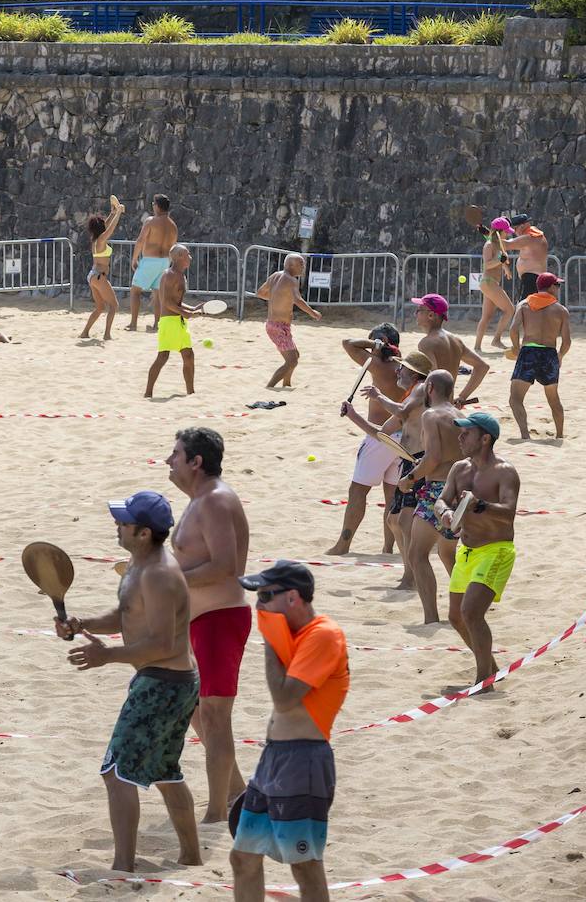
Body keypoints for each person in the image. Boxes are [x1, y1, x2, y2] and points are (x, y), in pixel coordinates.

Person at [56, 491, 201, 873]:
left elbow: (161, 642)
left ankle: (123, 867)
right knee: (165, 770)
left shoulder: (158, 574)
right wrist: (83, 623)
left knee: (116, 771)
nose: (116, 526)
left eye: (123, 522)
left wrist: (108, 656)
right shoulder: (141, 564)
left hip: (163, 683)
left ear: (143, 532)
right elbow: (126, 615)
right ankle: (190, 856)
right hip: (174, 681)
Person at [231, 560, 349, 902]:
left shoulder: (323, 634)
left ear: (293, 598)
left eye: (266, 596)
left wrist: (269, 637)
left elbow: (284, 698)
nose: (259, 605)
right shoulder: (294, 636)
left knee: (305, 865)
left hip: (304, 761)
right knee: (243, 858)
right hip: (276, 758)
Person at [167, 428, 250, 824]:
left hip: (220, 618)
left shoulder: (215, 499)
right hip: (198, 618)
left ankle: (219, 812)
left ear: (196, 462)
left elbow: (225, 565)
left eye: (176, 454)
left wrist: (170, 580)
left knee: (216, 717)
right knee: (195, 710)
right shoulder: (199, 499)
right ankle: (235, 789)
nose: (170, 461)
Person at [435, 413, 519, 683]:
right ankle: (491, 669)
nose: (459, 437)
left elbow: (508, 513)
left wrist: (480, 505)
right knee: (456, 617)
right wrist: (446, 514)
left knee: (471, 613)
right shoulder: (459, 468)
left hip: (496, 550)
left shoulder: (504, 472)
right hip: (467, 550)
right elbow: (441, 500)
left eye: (466, 433)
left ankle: (483, 682)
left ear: (485, 439)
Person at [340, 351, 433, 590]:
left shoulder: (421, 388)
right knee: (396, 520)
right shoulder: (411, 396)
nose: (397, 371)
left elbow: (401, 413)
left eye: (402, 368)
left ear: (413, 373)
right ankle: (409, 574)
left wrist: (378, 396)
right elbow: (381, 433)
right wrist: (354, 416)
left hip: (422, 461)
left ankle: (412, 576)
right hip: (410, 461)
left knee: (407, 522)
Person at [326, 326, 404, 556]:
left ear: (381, 342)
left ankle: (343, 545)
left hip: (380, 437)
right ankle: (388, 548)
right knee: (392, 495)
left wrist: (375, 345)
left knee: (357, 491)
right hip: (404, 439)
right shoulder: (406, 367)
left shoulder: (379, 365)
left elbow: (348, 342)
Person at [395, 369, 463, 625]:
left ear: (430, 388)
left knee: (417, 554)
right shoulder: (459, 414)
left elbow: (433, 457)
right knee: (447, 554)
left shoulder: (431, 415)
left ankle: (431, 618)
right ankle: (467, 609)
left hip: (438, 492)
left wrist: (409, 478)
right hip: (460, 489)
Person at [508, 272, 571, 440]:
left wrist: (516, 348)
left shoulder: (524, 304)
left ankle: (525, 435)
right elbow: (567, 342)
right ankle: (559, 435)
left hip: (528, 351)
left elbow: (513, 330)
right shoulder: (561, 310)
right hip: (549, 354)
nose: (558, 288)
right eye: (557, 285)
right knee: (553, 399)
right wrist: (560, 356)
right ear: (550, 287)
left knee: (515, 399)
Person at [256, 254, 321, 390]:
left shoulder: (275, 276)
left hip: (274, 325)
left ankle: (286, 384)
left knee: (295, 356)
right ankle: (269, 387)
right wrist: (312, 313)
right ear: (291, 265)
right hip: (279, 327)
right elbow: (298, 300)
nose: (303, 267)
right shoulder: (291, 280)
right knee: (292, 361)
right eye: (301, 264)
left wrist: (279, 297)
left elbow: (260, 293)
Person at [410, 293, 487, 406]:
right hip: (448, 406)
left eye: (419, 310)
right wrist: (462, 397)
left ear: (431, 315)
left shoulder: (426, 343)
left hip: (434, 408)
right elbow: (482, 366)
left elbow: (432, 380)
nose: (415, 313)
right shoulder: (456, 340)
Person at [144, 244, 200, 398]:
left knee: (188, 355)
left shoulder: (180, 275)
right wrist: (185, 313)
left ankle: (191, 392)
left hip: (177, 320)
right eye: (187, 254)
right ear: (179, 257)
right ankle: (148, 393)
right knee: (163, 357)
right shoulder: (169, 275)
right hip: (169, 321)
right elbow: (166, 302)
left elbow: (176, 302)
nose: (190, 257)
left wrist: (192, 309)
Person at [125, 194, 178, 332]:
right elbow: (173, 247)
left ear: (157, 206)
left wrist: (134, 258)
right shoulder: (173, 225)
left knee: (135, 291)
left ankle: (133, 324)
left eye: (154, 204)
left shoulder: (151, 221)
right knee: (158, 293)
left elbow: (141, 240)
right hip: (165, 261)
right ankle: (157, 324)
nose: (153, 206)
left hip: (150, 260)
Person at [80, 197, 124, 341]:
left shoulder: (95, 240)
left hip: (93, 276)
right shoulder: (101, 240)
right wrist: (118, 213)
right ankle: (107, 334)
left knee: (99, 308)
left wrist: (112, 213)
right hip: (99, 276)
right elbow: (110, 228)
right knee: (114, 305)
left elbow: (106, 225)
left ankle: (85, 332)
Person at [474, 220, 514, 351]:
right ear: (500, 232)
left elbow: (490, 236)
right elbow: (486, 265)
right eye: (506, 232)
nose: (507, 235)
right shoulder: (489, 245)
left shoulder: (497, 243)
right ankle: (496, 339)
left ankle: (477, 347)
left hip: (491, 283)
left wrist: (505, 268)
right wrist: (500, 260)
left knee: (486, 317)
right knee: (510, 310)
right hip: (488, 282)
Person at [502, 213, 549, 302]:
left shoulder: (528, 238)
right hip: (536, 279)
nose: (515, 232)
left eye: (515, 229)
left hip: (531, 279)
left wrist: (490, 235)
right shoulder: (538, 235)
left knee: (524, 310)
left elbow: (505, 244)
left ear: (522, 226)